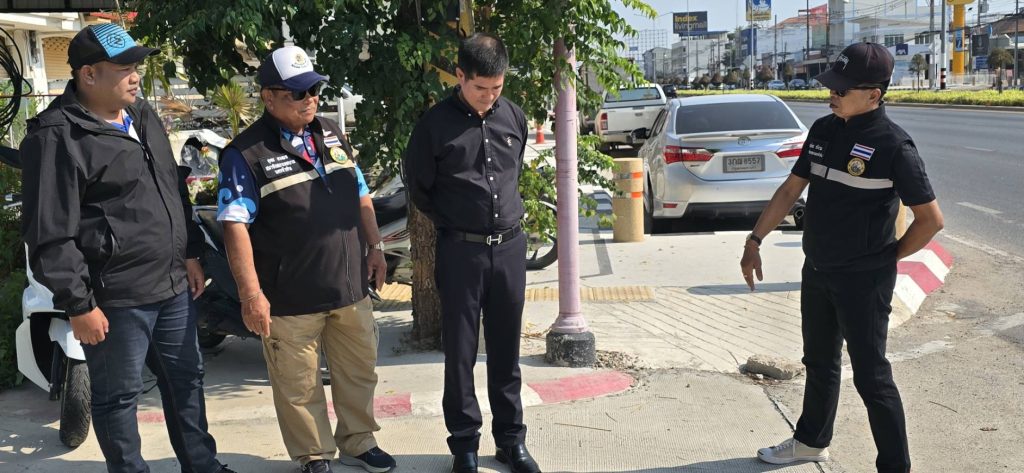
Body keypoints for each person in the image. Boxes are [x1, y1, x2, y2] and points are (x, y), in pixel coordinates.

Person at [20, 24, 232, 473]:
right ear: (88, 75)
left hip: (172, 285)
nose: (136, 77)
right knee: (118, 398)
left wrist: (191, 251)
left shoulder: (140, 114)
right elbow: (49, 235)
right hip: (115, 296)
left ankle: (203, 466)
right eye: (124, 69)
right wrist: (79, 305)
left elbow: (173, 186)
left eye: (137, 66)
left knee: (186, 381)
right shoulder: (57, 137)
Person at [741, 42, 944, 473]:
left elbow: (931, 220)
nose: (831, 94)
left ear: (874, 95)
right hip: (817, 269)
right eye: (831, 86)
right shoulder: (824, 130)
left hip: (863, 281)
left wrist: (887, 257)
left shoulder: (894, 146)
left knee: (872, 377)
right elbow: (790, 190)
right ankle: (810, 442)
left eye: (842, 89)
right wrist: (755, 240)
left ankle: (895, 467)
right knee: (818, 361)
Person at [216, 46, 395, 473]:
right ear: (268, 97)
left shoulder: (330, 131)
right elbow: (234, 225)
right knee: (297, 384)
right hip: (289, 297)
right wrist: (251, 295)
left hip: (349, 287)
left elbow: (360, 192)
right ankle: (314, 454)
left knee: (359, 372)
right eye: (298, 93)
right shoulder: (246, 154)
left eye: (314, 89)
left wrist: (374, 248)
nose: (310, 99)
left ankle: (359, 441)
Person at [403, 33, 541, 473]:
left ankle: (511, 441)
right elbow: (419, 188)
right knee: (460, 353)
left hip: (510, 249)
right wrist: (456, 220)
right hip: (461, 251)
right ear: (460, 76)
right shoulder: (434, 126)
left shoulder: (513, 116)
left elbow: (513, 172)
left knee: (506, 350)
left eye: (497, 87)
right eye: (481, 87)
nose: (489, 96)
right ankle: (464, 444)